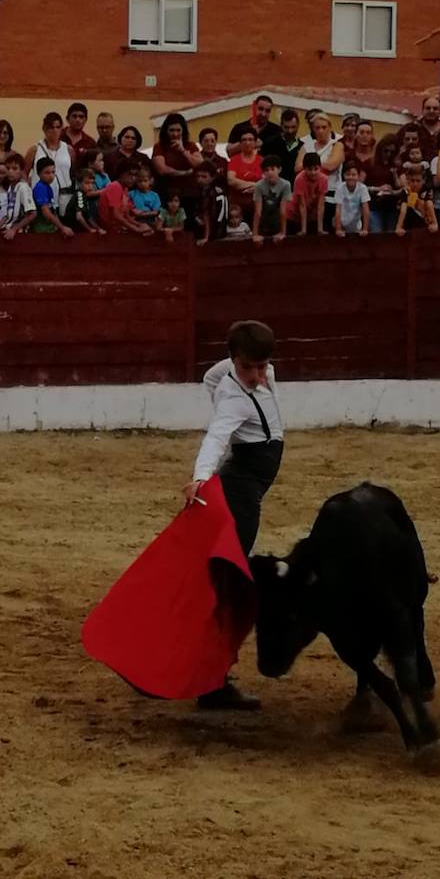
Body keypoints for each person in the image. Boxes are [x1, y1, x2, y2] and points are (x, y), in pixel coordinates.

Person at [184, 320, 284, 711]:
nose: (258, 377)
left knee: (228, 578)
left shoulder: (235, 373)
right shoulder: (232, 399)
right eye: (249, 369)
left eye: (263, 367)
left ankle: (211, 677)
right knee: (230, 582)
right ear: (234, 361)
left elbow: (211, 375)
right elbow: (215, 439)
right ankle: (212, 683)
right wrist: (200, 478)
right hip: (241, 490)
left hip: (248, 488)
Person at [298, 113, 343, 230]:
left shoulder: (337, 145)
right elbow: (297, 168)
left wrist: (308, 165)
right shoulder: (307, 146)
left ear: (330, 128)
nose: (321, 131)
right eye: (317, 128)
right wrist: (319, 166)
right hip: (309, 197)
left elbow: (331, 166)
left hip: (330, 196)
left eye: (324, 127)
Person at [152, 113, 203, 216]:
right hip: (167, 194)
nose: (175, 134)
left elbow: (200, 163)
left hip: (189, 194)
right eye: (172, 130)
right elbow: (162, 169)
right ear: (166, 131)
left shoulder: (191, 146)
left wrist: (183, 150)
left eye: (178, 130)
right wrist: (184, 173)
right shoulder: (159, 147)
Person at [100, 160, 151, 236]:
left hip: (120, 226)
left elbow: (126, 215)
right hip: (110, 229)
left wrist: (139, 225)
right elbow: (116, 216)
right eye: (130, 174)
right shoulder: (115, 187)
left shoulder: (125, 188)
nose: (133, 178)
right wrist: (136, 229)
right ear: (121, 174)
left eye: (135, 175)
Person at [363, 135, 400, 234]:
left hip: (391, 206)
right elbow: (360, 186)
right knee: (376, 235)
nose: (388, 154)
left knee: (391, 237)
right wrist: (376, 189)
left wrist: (395, 176)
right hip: (374, 206)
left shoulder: (395, 165)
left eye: (392, 152)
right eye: (386, 151)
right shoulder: (369, 163)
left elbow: (401, 185)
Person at [0, 154, 37, 240]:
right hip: (8, 229)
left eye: (14, 169)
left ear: (21, 171)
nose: (10, 171)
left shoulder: (23, 188)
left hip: (20, 233)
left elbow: (32, 214)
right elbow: (8, 214)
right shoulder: (10, 188)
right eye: (8, 168)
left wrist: (14, 229)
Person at [251, 156, 290, 244]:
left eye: (273, 169)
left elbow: (283, 210)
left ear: (279, 169)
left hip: (277, 220)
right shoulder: (259, 186)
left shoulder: (285, 185)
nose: (270, 172)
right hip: (263, 221)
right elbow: (257, 212)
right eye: (266, 170)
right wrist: (255, 234)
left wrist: (283, 232)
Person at [32, 156, 73, 237]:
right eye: (47, 173)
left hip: (50, 228)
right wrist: (62, 227)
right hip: (41, 230)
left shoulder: (48, 187)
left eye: (53, 172)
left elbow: (52, 211)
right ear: (39, 173)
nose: (51, 176)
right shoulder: (40, 188)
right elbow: (46, 212)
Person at [288, 152, 327, 235]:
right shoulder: (299, 179)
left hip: (311, 215)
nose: (313, 172)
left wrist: (320, 229)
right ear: (304, 168)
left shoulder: (323, 179)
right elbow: (302, 205)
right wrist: (303, 230)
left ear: (320, 167)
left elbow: (321, 205)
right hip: (293, 214)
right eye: (309, 169)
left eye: (316, 169)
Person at [228, 128, 263, 217]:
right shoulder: (234, 160)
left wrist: (241, 184)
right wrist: (255, 185)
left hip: (258, 208)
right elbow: (231, 180)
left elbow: (267, 183)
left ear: (255, 142)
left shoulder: (262, 161)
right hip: (236, 210)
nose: (247, 143)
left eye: (250, 140)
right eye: (244, 140)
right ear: (240, 143)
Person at [396, 164, 438, 235]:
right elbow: (403, 209)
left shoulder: (427, 190)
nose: (415, 184)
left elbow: (429, 205)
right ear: (408, 180)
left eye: (418, 181)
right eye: (412, 180)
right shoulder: (406, 191)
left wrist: (435, 224)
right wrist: (399, 227)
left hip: (424, 222)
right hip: (409, 223)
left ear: (423, 180)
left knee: (428, 203)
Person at [333, 159, 370, 238]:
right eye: (348, 174)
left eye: (353, 175)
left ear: (358, 176)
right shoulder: (340, 188)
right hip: (342, 223)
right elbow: (338, 209)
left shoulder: (363, 188)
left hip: (356, 225)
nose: (351, 177)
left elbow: (365, 208)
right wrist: (338, 229)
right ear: (344, 175)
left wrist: (365, 229)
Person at [194, 162, 228, 246]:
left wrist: (207, 237)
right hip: (219, 229)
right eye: (198, 176)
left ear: (213, 177)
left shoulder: (211, 192)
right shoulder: (215, 189)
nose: (200, 180)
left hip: (215, 230)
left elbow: (208, 215)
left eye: (204, 176)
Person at [65, 169, 107, 235]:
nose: (90, 186)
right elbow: (79, 217)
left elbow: (88, 217)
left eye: (92, 183)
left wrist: (98, 229)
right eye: (87, 183)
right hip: (73, 229)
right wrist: (90, 229)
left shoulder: (84, 195)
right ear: (79, 183)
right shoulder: (79, 195)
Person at [274, 110, 302, 186]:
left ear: (298, 125)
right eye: (286, 127)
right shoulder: (271, 144)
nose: (290, 131)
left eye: (293, 127)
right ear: (281, 125)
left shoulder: (303, 146)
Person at [417, 95, 440, 161]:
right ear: (422, 110)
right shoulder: (413, 128)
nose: (431, 111)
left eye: (435, 109)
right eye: (428, 108)